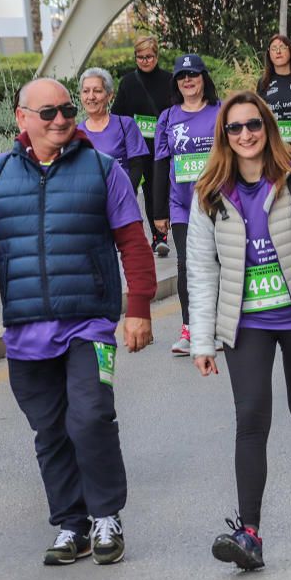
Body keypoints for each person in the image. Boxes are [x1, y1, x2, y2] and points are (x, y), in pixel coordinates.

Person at [0, 78, 156, 565]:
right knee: (50, 430)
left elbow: (133, 241)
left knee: (89, 417)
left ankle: (106, 515)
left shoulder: (102, 169)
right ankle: (72, 525)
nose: (62, 119)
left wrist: (138, 308)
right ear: (21, 118)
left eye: (67, 109)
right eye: (48, 112)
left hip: (89, 324)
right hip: (26, 331)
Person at [185, 91, 291, 569]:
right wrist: (203, 338)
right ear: (224, 136)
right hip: (245, 321)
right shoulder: (210, 191)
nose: (246, 134)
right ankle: (248, 533)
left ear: (267, 127)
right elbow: (201, 267)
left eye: (253, 125)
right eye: (235, 128)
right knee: (250, 418)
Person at [153, 53, 222, 355]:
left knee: (217, 262)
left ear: (204, 79)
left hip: (219, 203)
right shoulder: (168, 118)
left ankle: (218, 326)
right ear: (176, 83)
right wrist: (158, 212)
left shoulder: (221, 112)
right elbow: (159, 164)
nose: (188, 80)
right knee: (186, 265)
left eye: (193, 74)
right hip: (181, 204)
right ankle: (189, 328)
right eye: (182, 76)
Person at [111, 35, 173, 256]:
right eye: (140, 57)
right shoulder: (129, 82)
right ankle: (159, 238)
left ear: (157, 55)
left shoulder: (169, 80)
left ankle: (174, 224)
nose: (145, 61)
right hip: (139, 148)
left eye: (149, 57)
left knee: (168, 188)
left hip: (165, 145)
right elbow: (118, 115)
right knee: (149, 190)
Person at [78, 67, 148, 192]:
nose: (91, 96)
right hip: (90, 203)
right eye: (85, 91)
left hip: (121, 199)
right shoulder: (76, 132)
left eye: (97, 91)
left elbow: (136, 166)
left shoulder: (125, 124)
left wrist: (126, 195)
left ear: (109, 96)